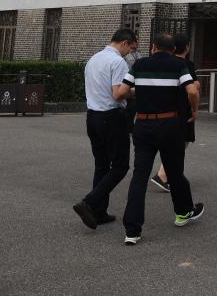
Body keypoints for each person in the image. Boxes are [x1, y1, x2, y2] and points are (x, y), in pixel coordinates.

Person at [121, 33, 205, 245]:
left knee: (139, 176)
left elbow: (122, 91)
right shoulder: (178, 64)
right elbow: (192, 91)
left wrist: (141, 91)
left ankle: (132, 230)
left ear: (153, 47)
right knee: (175, 172)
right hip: (169, 125)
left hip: (142, 124)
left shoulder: (139, 64)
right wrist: (194, 110)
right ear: (173, 49)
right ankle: (183, 213)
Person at [73, 28, 138, 229]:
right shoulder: (117, 62)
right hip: (111, 117)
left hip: (92, 116)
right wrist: (136, 91)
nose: (129, 53)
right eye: (131, 49)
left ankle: (99, 212)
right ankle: (89, 202)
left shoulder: (93, 59)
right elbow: (118, 94)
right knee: (120, 166)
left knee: (101, 165)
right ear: (125, 42)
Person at [151, 33, 197, 192]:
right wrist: (195, 109)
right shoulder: (185, 64)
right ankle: (164, 174)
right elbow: (193, 89)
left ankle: (169, 174)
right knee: (181, 141)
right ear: (187, 47)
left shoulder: (164, 63)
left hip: (163, 108)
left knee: (173, 142)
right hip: (183, 109)